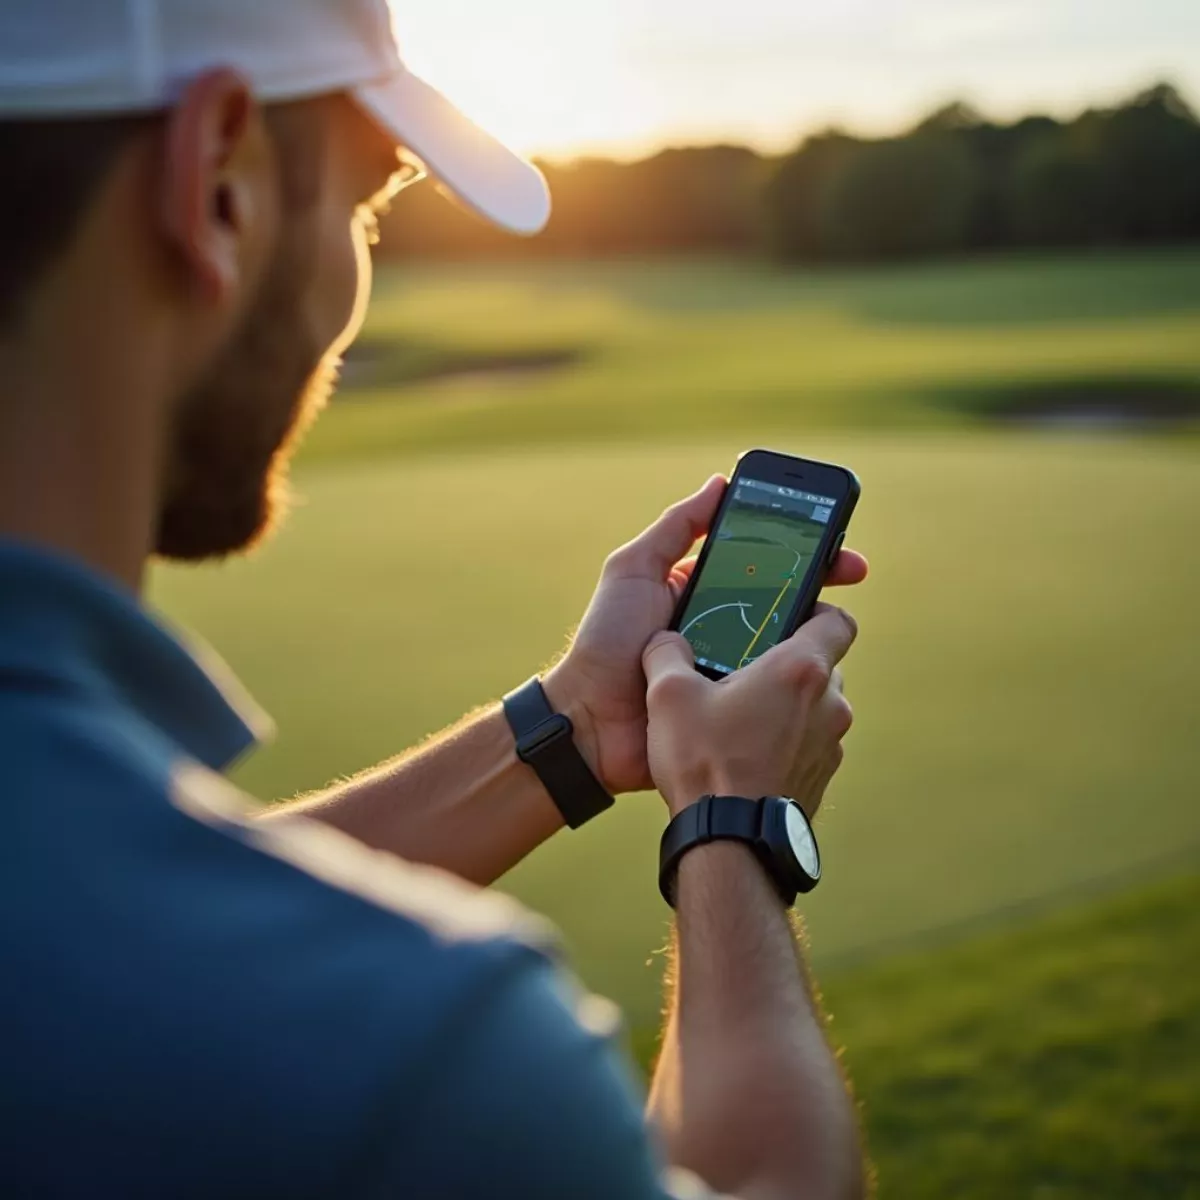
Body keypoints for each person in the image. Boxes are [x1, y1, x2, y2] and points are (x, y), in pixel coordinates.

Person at [0, 2, 871, 1197]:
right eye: (367, 203)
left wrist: (571, 727)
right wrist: (734, 820)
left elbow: (91, 936)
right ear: (218, 185)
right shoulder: (420, 1053)